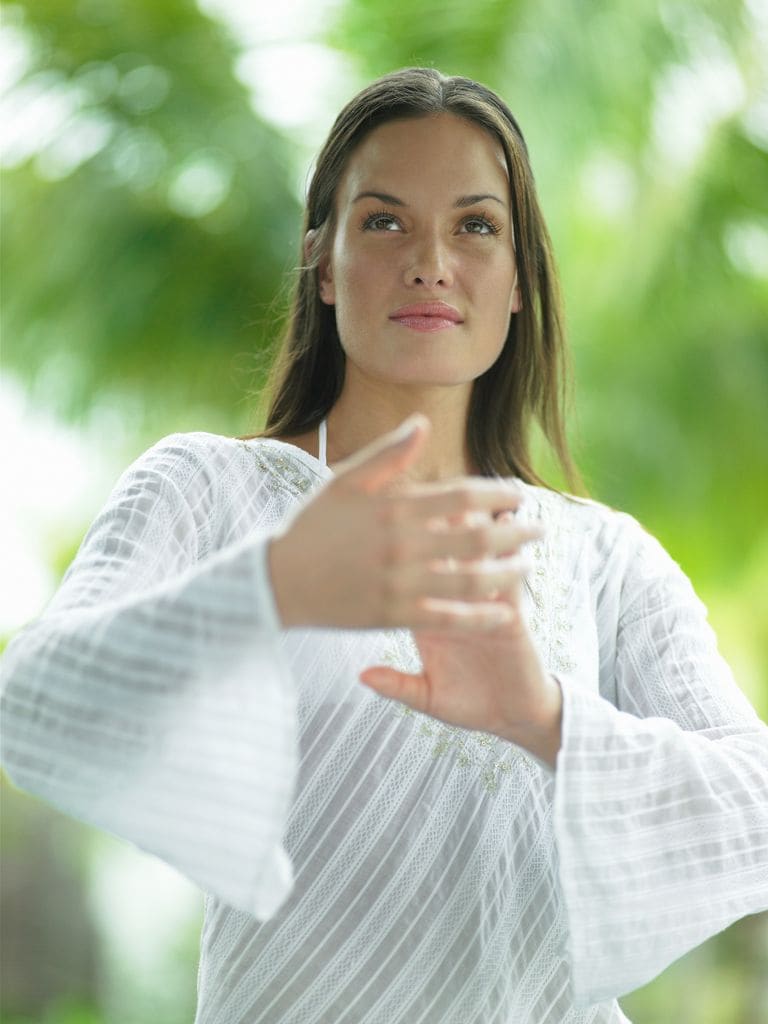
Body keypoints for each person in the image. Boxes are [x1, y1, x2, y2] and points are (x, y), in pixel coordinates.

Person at [1, 67, 766, 1024]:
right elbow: (33, 697)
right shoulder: (208, 489)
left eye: (477, 226)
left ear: (522, 278)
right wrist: (268, 589)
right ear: (322, 262)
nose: (431, 261)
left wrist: (542, 715)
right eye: (386, 221)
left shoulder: (605, 560)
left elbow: (757, 808)